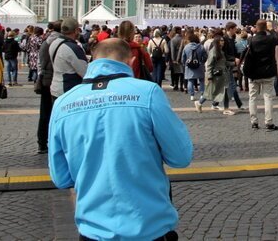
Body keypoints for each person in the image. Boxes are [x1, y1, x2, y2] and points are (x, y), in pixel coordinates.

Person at [48, 38, 193, 240]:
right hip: (148, 226)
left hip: (93, 228)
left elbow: (61, 177)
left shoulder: (63, 103)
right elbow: (181, 157)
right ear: (131, 61)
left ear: (92, 60)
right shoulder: (148, 93)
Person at [244, 20, 278, 131]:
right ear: (266, 27)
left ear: (256, 27)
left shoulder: (251, 39)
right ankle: (269, 122)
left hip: (254, 72)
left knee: (252, 98)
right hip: (267, 71)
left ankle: (254, 122)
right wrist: (271, 30)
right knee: (268, 97)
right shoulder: (270, 39)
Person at [36, 21, 62, 154]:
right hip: (56, 80)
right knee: (57, 112)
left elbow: (39, 63)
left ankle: (41, 142)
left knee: (44, 112)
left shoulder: (45, 42)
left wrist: (40, 75)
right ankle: (55, 142)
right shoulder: (60, 43)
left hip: (45, 79)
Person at [50, 18, 88, 100]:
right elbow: (85, 72)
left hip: (56, 87)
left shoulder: (54, 42)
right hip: (68, 90)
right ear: (76, 30)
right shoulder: (73, 48)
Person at [200, 31, 228, 113]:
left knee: (218, 90)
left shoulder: (220, 51)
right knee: (211, 91)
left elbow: (223, 62)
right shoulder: (214, 51)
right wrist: (209, 76)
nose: (223, 42)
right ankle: (200, 102)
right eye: (221, 41)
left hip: (221, 74)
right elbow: (209, 64)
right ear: (217, 42)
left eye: (223, 40)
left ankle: (214, 104)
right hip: (216, 74)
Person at [181, 31, 207, 102]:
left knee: (190, 80)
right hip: (199, 65)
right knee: (201, 80)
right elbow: (205, 56)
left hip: (189, 66)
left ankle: (192, 95)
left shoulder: (186, 47)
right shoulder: (201, 47)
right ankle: (202, 94)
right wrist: (202, 62)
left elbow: (183, 57)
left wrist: (184, 64)